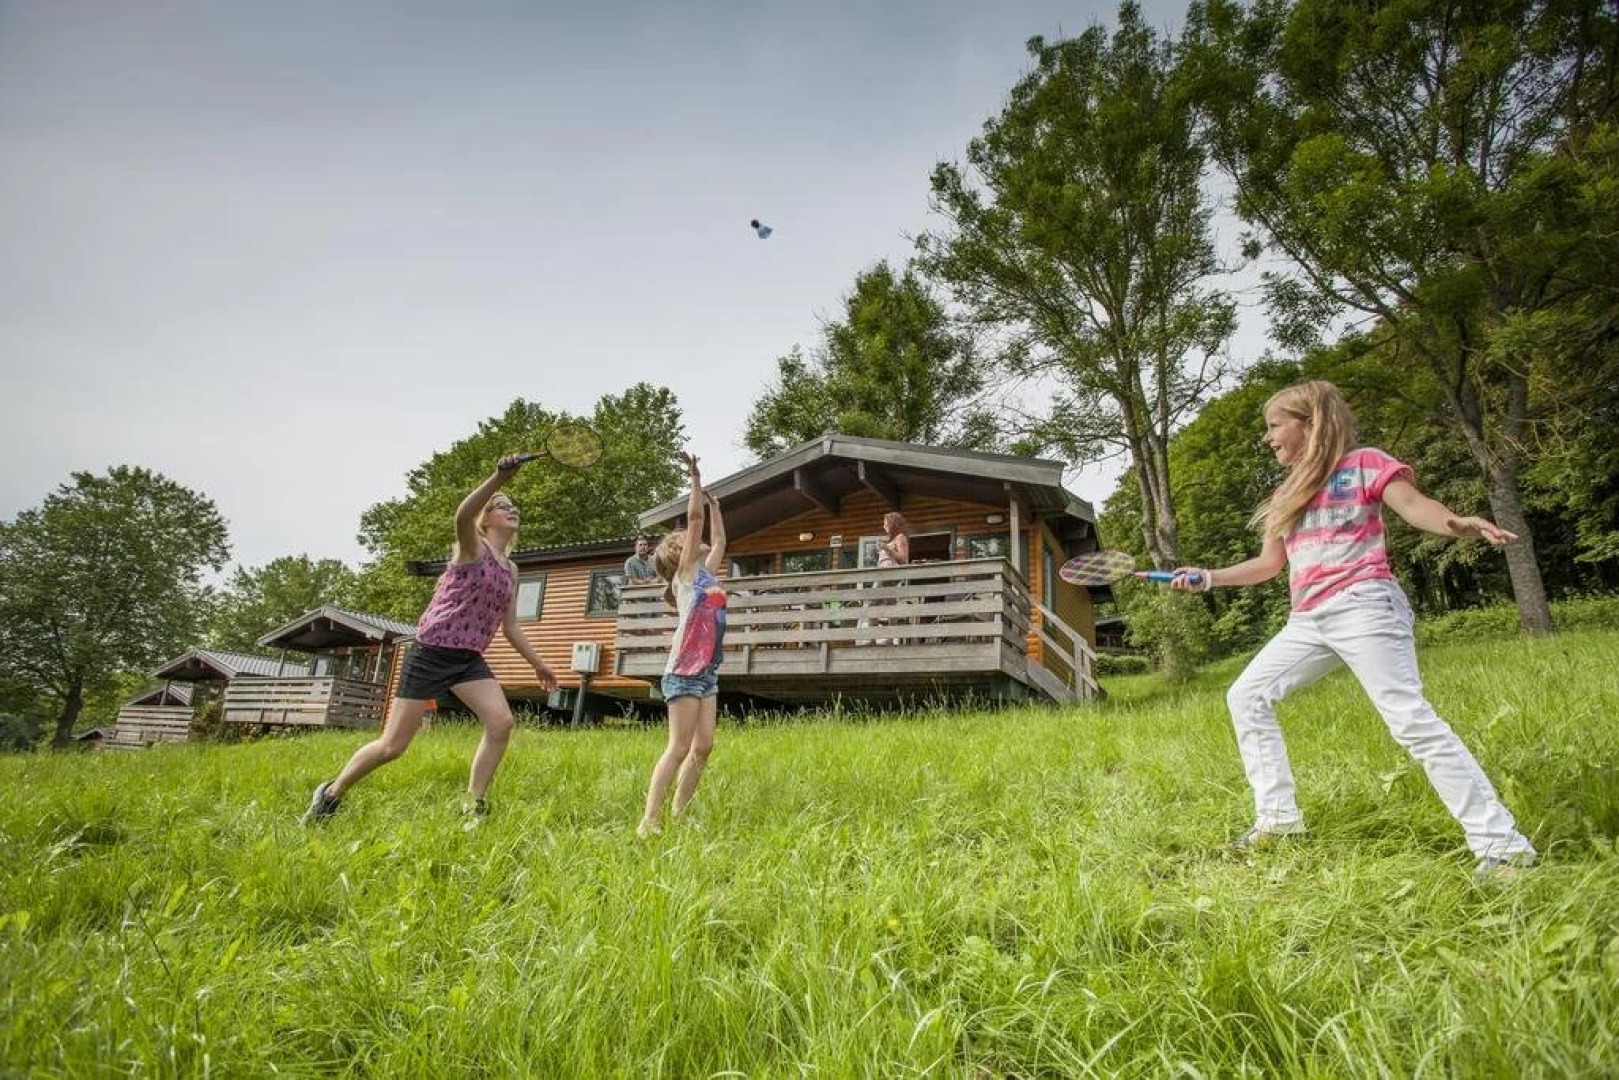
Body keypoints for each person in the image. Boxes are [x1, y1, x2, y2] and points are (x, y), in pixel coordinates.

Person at [1170, 380, 1536, 880]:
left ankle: (1503, 846)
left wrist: (1456, 524)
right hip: (1309, 618)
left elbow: (1415, 506)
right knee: (1247, 696)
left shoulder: (1363, 463)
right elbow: (1267, 565)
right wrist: (1209, 577)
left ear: (1310, 423)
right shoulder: (1286, 494)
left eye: (1274, 425)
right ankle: (1279, 822)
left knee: (1410, 720)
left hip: (1364, 603)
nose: (1267, 437)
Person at [303, 455, 557, 823]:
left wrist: (540, 664)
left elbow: (510, 626)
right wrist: (498, 479)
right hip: (432, 651)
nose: (511, 509)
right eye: (502, 506)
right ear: (486, 520)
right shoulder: (472, 548)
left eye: (513, 507)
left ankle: (474, 803)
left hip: (468, 658)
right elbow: (461, 515)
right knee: (392, 747)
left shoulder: (511, 569)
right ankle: (330, 794)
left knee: (501, 722)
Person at [639, 452, 727, 837]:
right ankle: (649, 820)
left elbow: (720, 537)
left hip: (707, 671)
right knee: (678, 747)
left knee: (704, 746)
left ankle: (680, 813)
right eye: (690, 540)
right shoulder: (687, 575)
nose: (700, 538)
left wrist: (716, 505)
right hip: (683, 673)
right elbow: (693, 521)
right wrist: (695, 480)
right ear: (681, 552)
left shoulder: (705, 574)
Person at [873, 511, 911, 644]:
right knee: (890, 605)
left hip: (890, 575)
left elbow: (903, 559)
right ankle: (893, 637)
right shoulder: (892, 539)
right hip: (883, 574)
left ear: (893, 524)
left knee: (872, 602)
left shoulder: (900, 537)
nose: (884, 526)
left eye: (885, 523)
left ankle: (871, 637)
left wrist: (886, 549)